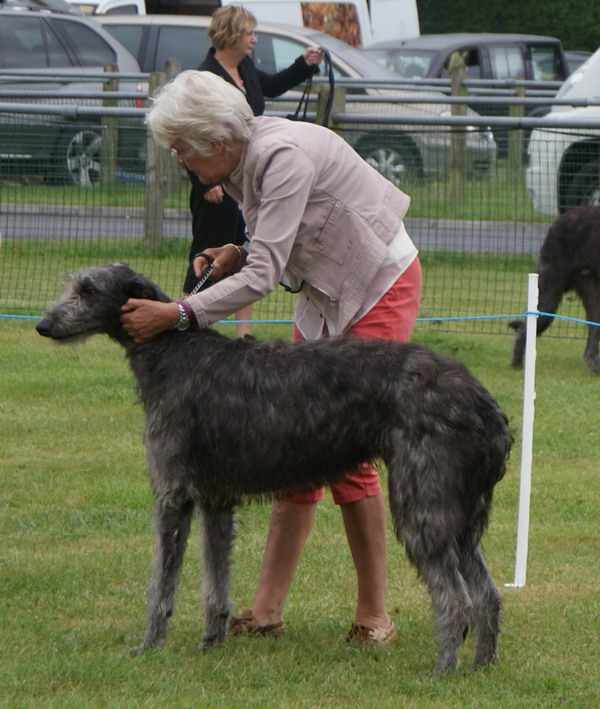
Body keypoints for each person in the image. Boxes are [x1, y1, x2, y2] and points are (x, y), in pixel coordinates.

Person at [121, 70, 422, 647]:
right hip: (324, 285)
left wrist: (179, 313)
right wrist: (236, 249)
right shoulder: (239, 160)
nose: (179, 158)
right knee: (288, 436)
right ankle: (265, 610)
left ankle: (374, 616)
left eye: (182, 147)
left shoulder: (278, 155)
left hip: (376, 281)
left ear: (217, 138)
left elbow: (265, 275)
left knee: (348, 447)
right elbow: (267, 247)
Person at [184, 5, 322, 338]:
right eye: (249, 34)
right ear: (231, 35)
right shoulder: (206, 78)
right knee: (209, 251)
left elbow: (272, 86)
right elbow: (188, 139)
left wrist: (304, 65)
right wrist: (204, 185)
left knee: (248, 250)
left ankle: (243, 333)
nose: (254, 40)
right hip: (215, 185)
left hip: (245, 180)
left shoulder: (244, 67)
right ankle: (187, 319)